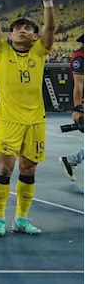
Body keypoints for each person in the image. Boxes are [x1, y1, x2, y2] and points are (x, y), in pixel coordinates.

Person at [0, 0, 57, 235]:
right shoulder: (1, 50)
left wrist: (47, 3)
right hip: (9, 120)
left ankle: (22, 218)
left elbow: (50, 30)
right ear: (10, 35)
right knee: (5, 167)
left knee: (29, 168)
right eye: (17, 28)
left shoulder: (39, 52)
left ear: (34, 37)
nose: (21, 30)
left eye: (27, 28)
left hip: (35, 121)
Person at [63, 31, 84, 183]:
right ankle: (71, 160)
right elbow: (79, 84)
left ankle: (71, 160)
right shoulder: (80, 58)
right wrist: (78, 109)